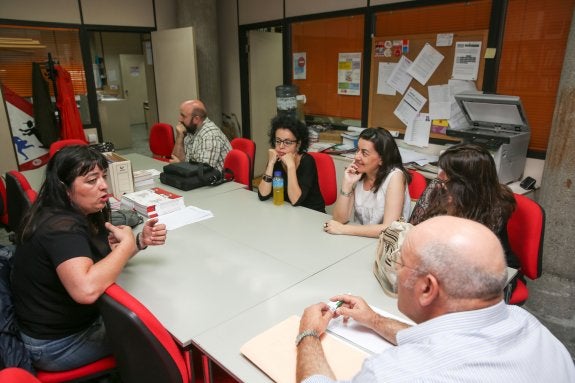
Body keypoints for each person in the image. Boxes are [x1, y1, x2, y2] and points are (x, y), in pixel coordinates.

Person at [296, 216, 575, 383]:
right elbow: (448, 341)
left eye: (401, 262)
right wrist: (374, 320)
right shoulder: (535, 330)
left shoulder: (396, 373)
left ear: (427, 288)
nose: (395, 269)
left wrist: (308, 333)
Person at [11, 145, 167, 372]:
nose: (104, 186)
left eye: (103, 177)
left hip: (55, 327)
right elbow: (85, 289)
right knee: (158, 332)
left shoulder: (61, 209)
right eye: (91, 180)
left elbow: (95, 262)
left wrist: (138, 242)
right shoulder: (61, 227)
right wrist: (125, 248)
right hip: (58, 345)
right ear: (65, 189)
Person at [409, 143, 520, 270]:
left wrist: (450, 209)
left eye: (447, 172)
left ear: (466, 181)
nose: (440, 176)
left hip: (490, 272)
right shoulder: (437, 186)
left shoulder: (495, 204)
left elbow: (466, 256)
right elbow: (413, 229)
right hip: (440, 263)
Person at [324, 128, 410, 238]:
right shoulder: (361, 173)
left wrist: (344, 229)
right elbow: (339, 219)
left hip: (385, 245)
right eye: (357, 150)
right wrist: (347, 183)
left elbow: (389, 229)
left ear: (381, 159)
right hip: (362, 239)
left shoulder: (395, 177)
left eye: (364, 153)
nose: (357, 157)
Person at [257, 114, 325, 213]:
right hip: (287, 212)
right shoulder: (276, 158)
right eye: (278, 141)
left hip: (311, 214)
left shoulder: (307, 161)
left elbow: (295, 200)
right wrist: (271, 164)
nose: (281, 146)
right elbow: (263, 195)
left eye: (287, 142)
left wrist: (291, 166)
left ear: (298, 144)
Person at [170, 99, 231, 171]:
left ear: (196, 119)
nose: (179, 119)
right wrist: (179, 136)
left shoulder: (209, 135)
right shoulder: (191, 129)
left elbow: (203, 171)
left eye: (183, 116)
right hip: (197, 178)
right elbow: (175, 159)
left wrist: (180, 166)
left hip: (215, 179)